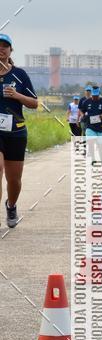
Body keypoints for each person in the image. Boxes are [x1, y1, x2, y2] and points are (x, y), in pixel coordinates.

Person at [0, 33, 38, 228]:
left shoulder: (19, 75)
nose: (1, 49)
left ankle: (11, 205)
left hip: (15, 132)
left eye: (5, 46)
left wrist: (17, 95)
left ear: (10, 50)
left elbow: (34, 103)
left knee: (14, 180)